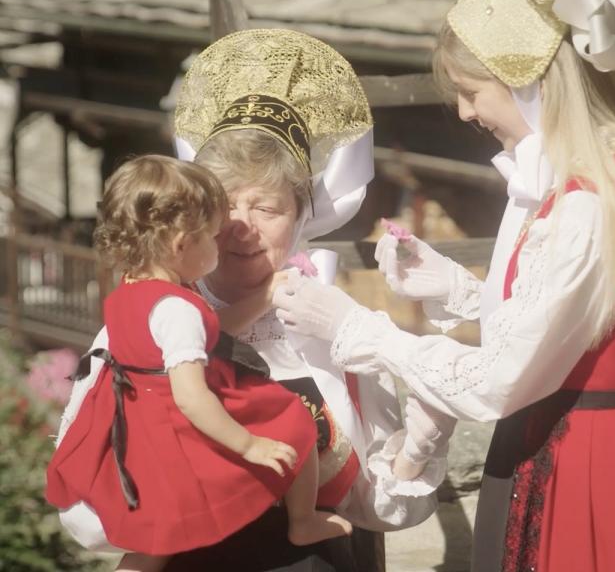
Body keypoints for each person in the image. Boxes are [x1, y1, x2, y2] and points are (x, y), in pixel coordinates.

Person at [273, 0, 615, 570]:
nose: (463, 110)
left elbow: (499, 380)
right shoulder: (606, 169)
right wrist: (455, 288)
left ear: (530, 82)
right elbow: (571, 324)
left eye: (472, 91)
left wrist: (357, 330)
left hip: (584, 461)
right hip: (610, 439)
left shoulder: (587, 202)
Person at [53, 29, 448, 572]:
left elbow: (380, 508)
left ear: (303, 214)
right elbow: (91, 506)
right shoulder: (146, 326)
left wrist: (415, 450)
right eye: (223, 206)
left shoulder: (335, 325)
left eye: (266, 207)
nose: (240, 228)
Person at [46, 155, 352, 572]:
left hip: (138, 424)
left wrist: (261, 297)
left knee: (154, 542)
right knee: (293, 421)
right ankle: (304, 521)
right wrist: (249, 444)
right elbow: (192, 396)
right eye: (211, 236)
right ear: (181, 245)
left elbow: (208, 333)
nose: (222, 242)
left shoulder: (131, 289)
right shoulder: (178, 309)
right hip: (177, 423)